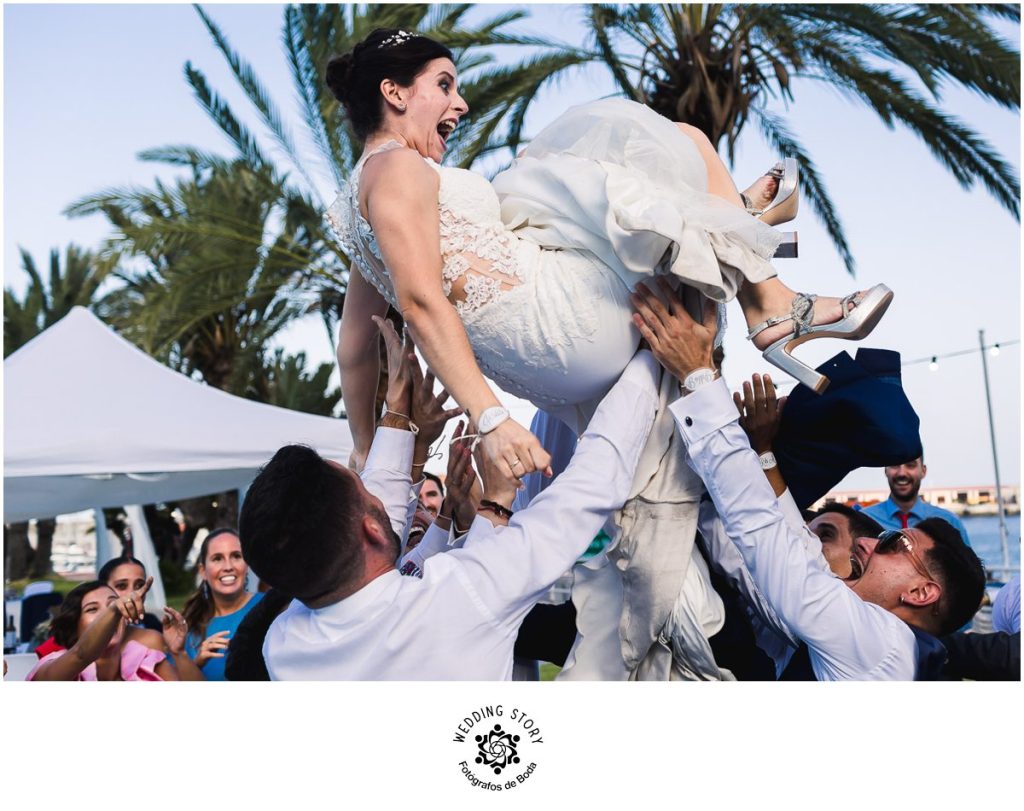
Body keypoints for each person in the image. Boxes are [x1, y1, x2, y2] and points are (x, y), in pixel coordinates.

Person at [326, 27, 893, 478]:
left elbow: (355, 347)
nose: (463, 102)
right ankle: (766, 296)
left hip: (548, 375)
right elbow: (420, 301)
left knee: (557, 182)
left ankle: (730, 218)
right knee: (670, 141)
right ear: (394, 93)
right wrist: (491, 418)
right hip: (564, 322)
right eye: (445, 84)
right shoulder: (399, 166)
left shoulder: (361, 205)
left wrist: (365, 450)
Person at [631, 279, 986, 679]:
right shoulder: (876, 648)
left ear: (920, 593)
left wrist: (698, 373)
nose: (869, 541)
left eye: (894, 542)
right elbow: (791, 552)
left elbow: (771, 546)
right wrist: (762, 451)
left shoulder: (877, 644)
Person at [239, 349, 660, 680]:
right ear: (371, 527)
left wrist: (397, 414)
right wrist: (648, 356)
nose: (378, 488)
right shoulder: (454, 598)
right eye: (365, 487)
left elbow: (369, 534)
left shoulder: (283, 645)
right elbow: (586, 488)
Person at [28, 578, 181, 681]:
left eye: (112, 605)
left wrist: (179, 653)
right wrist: (113, 611)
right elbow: (80, 655)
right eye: (93, 609)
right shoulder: (50, 666)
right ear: (74, 624)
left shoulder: (144, 661)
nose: (106, 615)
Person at [181, 528, 264, 681]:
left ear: (246, 564)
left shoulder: (270, 607)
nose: (228, 566)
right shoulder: (189, 626)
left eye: (236, 556)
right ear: (203, 571)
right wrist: (197, 663)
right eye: (217, 558)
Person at [861, 456, 971, 545]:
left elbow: (969, 570)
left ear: (923, 471)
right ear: (886, 470)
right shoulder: (863, 521)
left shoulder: (949, 522)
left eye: (910, 465)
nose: (902, 473)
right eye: (894, 465)